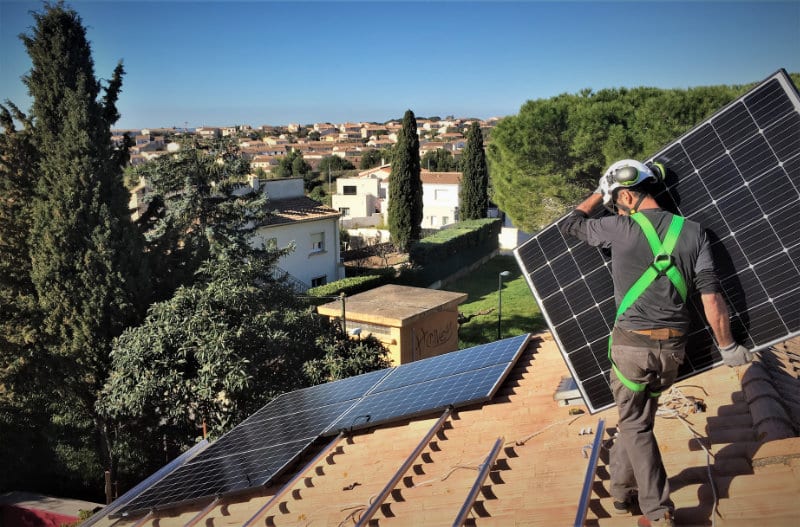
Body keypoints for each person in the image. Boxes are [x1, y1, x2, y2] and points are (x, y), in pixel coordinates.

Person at [559, 159, 753, 527]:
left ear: (628, 195)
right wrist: (727, 346)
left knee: (637, 425)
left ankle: (657, 510)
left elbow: (570, 224)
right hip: (672, 352)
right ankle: (620, 492)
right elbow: (711, 299)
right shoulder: (694, 232)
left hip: (631, 348)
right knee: (635, 419)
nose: (615, 207)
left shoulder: (619, 227)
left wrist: (601, 194)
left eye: (618, 201)